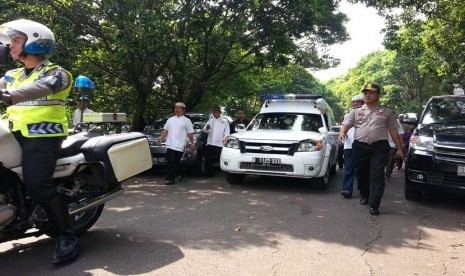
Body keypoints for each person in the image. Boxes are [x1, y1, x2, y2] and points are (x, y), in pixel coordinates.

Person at [0, 19, 78, 263]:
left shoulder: (57, 74)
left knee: (37, 185)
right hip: (12, 134)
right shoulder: (11, 75)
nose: (10, 45)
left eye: (16, 40)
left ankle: (66, 235)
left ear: (34, 41)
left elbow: (41, 88)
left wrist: (8, 96)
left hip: (43, 136)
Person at [338, 83, 403, 215]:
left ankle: (374, 204)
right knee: (361, 174)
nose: (367, 95)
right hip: (360, 147)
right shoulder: (355, 111)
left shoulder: (387, 112)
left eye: (371, 92)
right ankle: (365, 195)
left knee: (377, 175)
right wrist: (342, 132)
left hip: (379, 147)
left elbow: (393, 130)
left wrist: (399, 148)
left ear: (378, 95)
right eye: (366, 92)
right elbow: (346, 124)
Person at [159, 102, 195, 185]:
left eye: (179, 108)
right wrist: (161, 138)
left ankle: (170, 179)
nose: (177, 110)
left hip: (179, 144)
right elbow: (165, 130)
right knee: (168, 161)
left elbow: (190, 134)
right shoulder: (170, 119)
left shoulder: (187, 121)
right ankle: (181, 172)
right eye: (176, 108)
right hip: (170, 143)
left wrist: (192, 143)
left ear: (183, 110)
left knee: (174, 161)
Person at [340, 95, 364, 199]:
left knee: (361, 170)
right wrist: (341, 136)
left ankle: (362, 189)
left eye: (357, 102)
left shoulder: (368, 115)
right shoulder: (347, 115)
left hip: (363, 146)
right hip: (349, 145)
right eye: (353, 102)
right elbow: (343, 128)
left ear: (363, 103)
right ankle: (347, 189)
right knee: (349, 169)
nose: (355, 104)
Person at [204, 106, 230, 177]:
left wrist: (225, 139)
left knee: (219, 158)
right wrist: (208, 128)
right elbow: (205, 129)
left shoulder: (224, 121)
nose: (215, 114)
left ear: (219, 113)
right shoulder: (211, 120)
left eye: (216, 112)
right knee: (208, 158)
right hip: (210, 142)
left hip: (219, 143)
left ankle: (224, 172)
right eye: (214, 112)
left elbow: (227, 132)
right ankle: (209, 173)